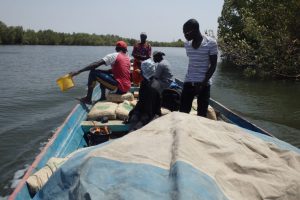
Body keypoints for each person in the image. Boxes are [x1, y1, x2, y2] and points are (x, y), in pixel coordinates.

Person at [179, 19, 218, 117]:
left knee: (201, 115)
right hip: (188, 82)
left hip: (204, 84)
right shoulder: (187, 44)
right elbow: (193, 63)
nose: (185, 36)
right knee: (183, 113)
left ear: (195, 30)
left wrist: (202, 84)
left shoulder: (211, 43)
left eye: (186, 33)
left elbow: (213, 65)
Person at [127, 61, 161, 131]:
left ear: (145, 72)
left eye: (141, 70)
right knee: (133, 117)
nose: (140, 71)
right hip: (145, 108)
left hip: (152, 112)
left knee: (135, 127)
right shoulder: (145, 82)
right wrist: (132, 113)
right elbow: (141, 101)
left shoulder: (152, 87)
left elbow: (149, 111)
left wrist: (137, 126)